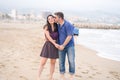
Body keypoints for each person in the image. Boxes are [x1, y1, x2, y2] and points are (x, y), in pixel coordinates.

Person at [54, 12, 75, 80]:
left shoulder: (67, 24)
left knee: (71, 61)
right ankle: (62, 76)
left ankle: (71, 76)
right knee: (61, 61)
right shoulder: (58, 25)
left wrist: (63, 45)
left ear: (60, 18)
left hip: (70, 46)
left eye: (55, 17)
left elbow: (69, 36)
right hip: (61, 46)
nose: (54, 19)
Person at [38, 15, 59, 80]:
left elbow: (60, 35)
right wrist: (54, 43)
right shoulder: (46, 27)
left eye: (52, 18)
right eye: (49, 19)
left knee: (53, 63)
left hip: (55, 46)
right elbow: (48, 37)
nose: (51, 20)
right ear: (48, 20)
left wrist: (57, 42)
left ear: (54, 19)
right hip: (48, 45)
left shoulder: (57, 27)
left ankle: (50, 77)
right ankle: (38, 77)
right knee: (43, 62)